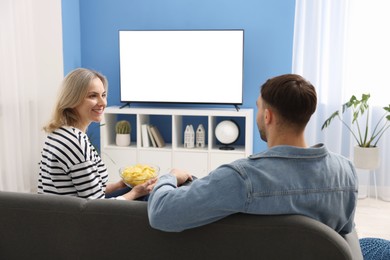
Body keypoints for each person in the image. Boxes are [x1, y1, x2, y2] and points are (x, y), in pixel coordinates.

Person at [148, 74, 358, 233]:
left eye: (258, 108)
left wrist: (170, 177)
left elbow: (161, 213)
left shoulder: (242, 178)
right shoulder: (346, 171)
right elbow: (344, 234)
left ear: (267, 116)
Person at [38, 68, 156, 200]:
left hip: (65, 212)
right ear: (72, 100)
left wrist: (118, 185)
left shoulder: (59, 133)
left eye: (103, 95)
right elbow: (97, 208)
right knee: (150, 198)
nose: (102, 103)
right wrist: (135, 193)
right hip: (77, 218)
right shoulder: (75, 142)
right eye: (92, 96)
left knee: (149, 192)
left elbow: (88, 191)